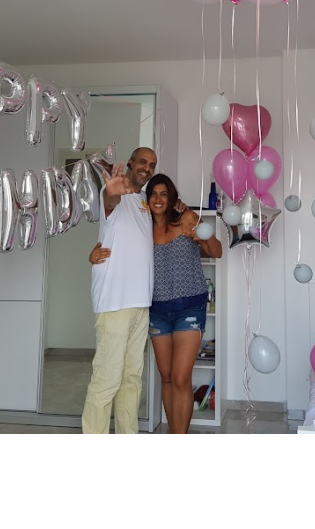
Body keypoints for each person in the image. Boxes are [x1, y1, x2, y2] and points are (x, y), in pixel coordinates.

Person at [90, 173, 222, 434]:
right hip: (158, 310)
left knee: (181, 377)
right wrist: (93, 254)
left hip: (189, 307)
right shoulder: (142, 228)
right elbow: (115, 246)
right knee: (167, 377)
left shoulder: (187, 219)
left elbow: (216, 251)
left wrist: (202, 238)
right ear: (146, 199)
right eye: (154, 194)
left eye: (164, 194)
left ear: (172, 198)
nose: (158, 199)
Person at [81, 146, 157, 434]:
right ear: (131, 163)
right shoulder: (114, 195)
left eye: (152, 164)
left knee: (131, 380)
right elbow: (109, 201)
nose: (147, 168)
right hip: (114, 304)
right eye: (142, 162)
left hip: (140, 304)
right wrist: (111, 191)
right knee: (107, 379)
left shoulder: (144, 202)